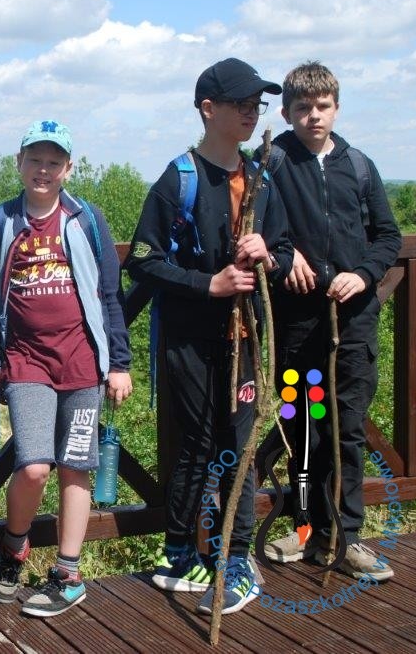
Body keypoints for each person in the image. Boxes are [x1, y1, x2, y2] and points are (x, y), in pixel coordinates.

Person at [125, 58, 293, 615]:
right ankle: (180, 554)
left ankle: (236, 561)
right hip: (190, 340)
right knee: (196, 445)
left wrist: (268, 252)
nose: (252, 113)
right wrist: (209, 284)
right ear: (208, 109)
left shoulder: (262, 177)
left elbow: (285, 251)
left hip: (245, 340)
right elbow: (143, 260)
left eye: (256, 105)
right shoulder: (179, 178)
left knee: (238, 446)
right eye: (241, 104)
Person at [0, 121, 133, 618]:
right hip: (25, 361)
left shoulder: (85, 219)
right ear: (19, 163)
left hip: (84, 362)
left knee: (76, 465)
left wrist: (119, 363)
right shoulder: (0, 221)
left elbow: (110, 293)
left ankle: (68, 572)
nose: (43, 170)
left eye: (53, 162)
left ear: (68, 168)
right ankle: (14, 546)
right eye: (35, 160)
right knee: (33, 466)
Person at [261, 61, 401, 580]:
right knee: (300, 428)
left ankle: (345, 536)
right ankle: (304, 530)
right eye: (303, 108)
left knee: (345, 430)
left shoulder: (359, 165)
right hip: (296, 325)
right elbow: (249, 226)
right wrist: (282, 255)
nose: (313, 116)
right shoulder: (271, 163)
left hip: (353, 326)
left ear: (336, 108)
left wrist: (363, 276)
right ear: (287, 113)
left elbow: (388, 236)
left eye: (322, 107)